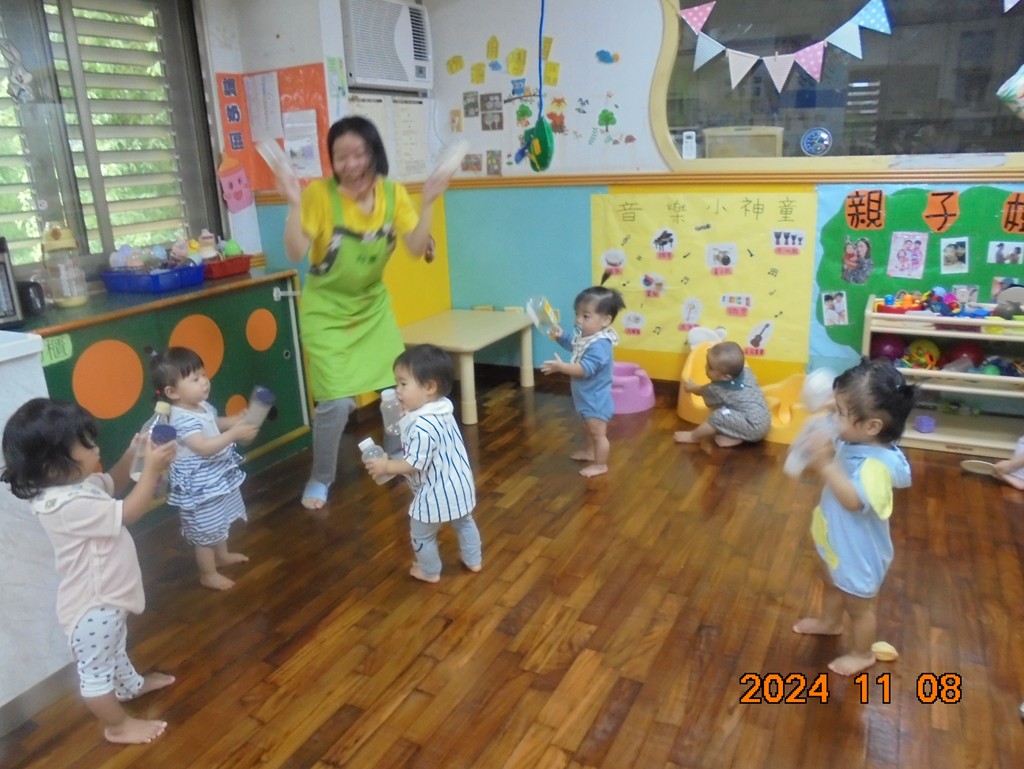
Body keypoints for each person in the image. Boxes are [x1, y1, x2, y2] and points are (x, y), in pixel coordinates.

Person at [272, 116, 451, 511]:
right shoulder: (319, 195)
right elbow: (295, 251)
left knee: (396, 391)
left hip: (372, 308)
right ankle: (321, 476)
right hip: (326, 312)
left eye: (358, 154)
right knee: (336, 404)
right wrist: (293, 201)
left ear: (374, 153)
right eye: (341, 157)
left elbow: (414, 247)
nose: (351, 164)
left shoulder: (392, 194)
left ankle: (394, 458)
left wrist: (429, 201)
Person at [0, 398, 177, 744]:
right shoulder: (64, 505)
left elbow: (114, 481)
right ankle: (117, 726)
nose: (96, 448)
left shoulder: (77, 487)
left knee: (116, 649)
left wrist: (133, 454)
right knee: (96, 675)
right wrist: (152, 470)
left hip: (108, 597)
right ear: (52, 465)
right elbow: (129, 512)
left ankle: (131, 686)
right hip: (93, 607)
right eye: (86, 444)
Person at [793, 358, 914, 676]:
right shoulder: (856, 436)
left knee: (859, 607)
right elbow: (839, 432)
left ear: (872, 426)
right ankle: (830, 622)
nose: (834, 418)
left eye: (840, 412)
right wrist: (829, 412)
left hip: (859, 551)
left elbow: (853, 500)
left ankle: (862, 654)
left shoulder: (878, 466)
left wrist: (825, 465)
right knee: (831, 581)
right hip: (838, 537)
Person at [363, 344, 480, 583]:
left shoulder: (423, 426)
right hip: (460, 483)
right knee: (464, 522)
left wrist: (386, 467)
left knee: (422, 535)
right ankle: (473, 560)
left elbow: (414, 464)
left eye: (403, 384)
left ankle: (429, 571)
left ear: (429, 387)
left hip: (435, 493)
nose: (397, 390)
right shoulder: (442, 408)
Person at [150, 347, 259, 590]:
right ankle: (208, 574)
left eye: (204, 375)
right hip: (200, 484)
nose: (204, 382)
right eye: (195, 379)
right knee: (206, 531)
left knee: (219, 519)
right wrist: (234, 434)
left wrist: (234, 421)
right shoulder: (181, 418)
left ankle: (222, 556)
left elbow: (213, 422)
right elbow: (203, 447)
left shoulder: (200, 406)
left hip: (214, 476)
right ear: (172, 392)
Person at [540, 286, 626, 478]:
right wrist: (560, 336)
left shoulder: (600, 345)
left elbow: (584, 369)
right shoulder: (587, 337)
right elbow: (574, 344)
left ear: (605, 320)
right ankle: (590, 452)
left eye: (586, 316)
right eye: (577, 314)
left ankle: (600, 465)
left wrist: (561, 367)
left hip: (595, 400)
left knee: (598, 433)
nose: (578, 320)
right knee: (588, 428)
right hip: (586, 397)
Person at [674, 340, 771, 447]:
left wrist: (691, 387)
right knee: (733, 409)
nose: (705, 367)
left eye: (710, 368)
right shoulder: (747, 372)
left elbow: (700, 391)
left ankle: (693, 437)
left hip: (753, 427)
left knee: (719, 416)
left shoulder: (716, 389)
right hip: (765, 419)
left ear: (726, 377)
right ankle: (735, 436)